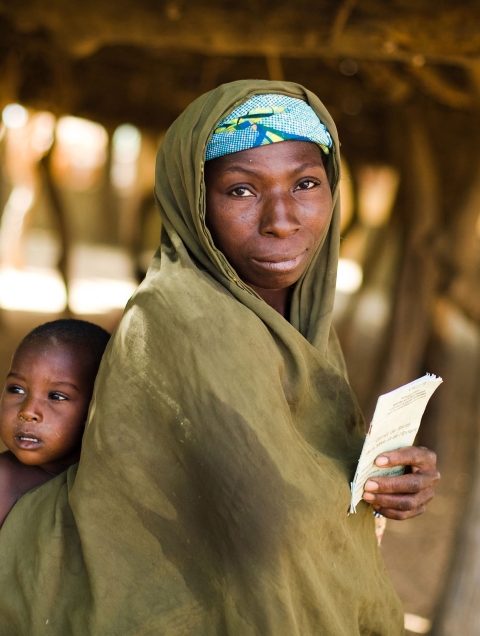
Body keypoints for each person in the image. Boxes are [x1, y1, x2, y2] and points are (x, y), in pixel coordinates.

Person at [0, 81, 440, 635]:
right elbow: (266, 518)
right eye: (240, 191)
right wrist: (344, 495)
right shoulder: (184, 317)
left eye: (305, 183)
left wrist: (386, 482)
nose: (281, 219)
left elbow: (308, 476)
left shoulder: (299, 325)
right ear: (194, 200)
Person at [0, 319, 110, 527]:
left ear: (96, 405)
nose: (28, 411)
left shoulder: (112, 479)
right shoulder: (4, 480)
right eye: (17, 389)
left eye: (56, 396)